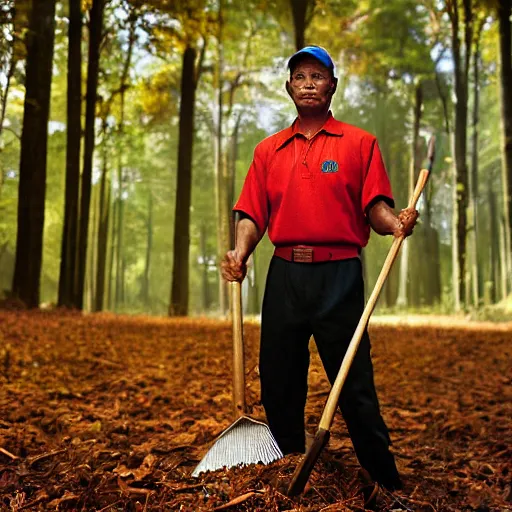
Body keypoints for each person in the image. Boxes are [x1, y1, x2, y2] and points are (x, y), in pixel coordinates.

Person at [220, 45, 418, 494]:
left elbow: (377, 208)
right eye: (299, 76)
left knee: (353, 383)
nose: (308, 82)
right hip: (285, 275)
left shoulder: (360, 143)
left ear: (332, 85)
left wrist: (396, 222)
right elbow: (252, 213)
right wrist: (240, 252)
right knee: (277, 378)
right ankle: (289, 464)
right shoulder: (268, 150)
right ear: (288, 87)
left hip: (339, 276)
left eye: (317, 75)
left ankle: (385, 480)